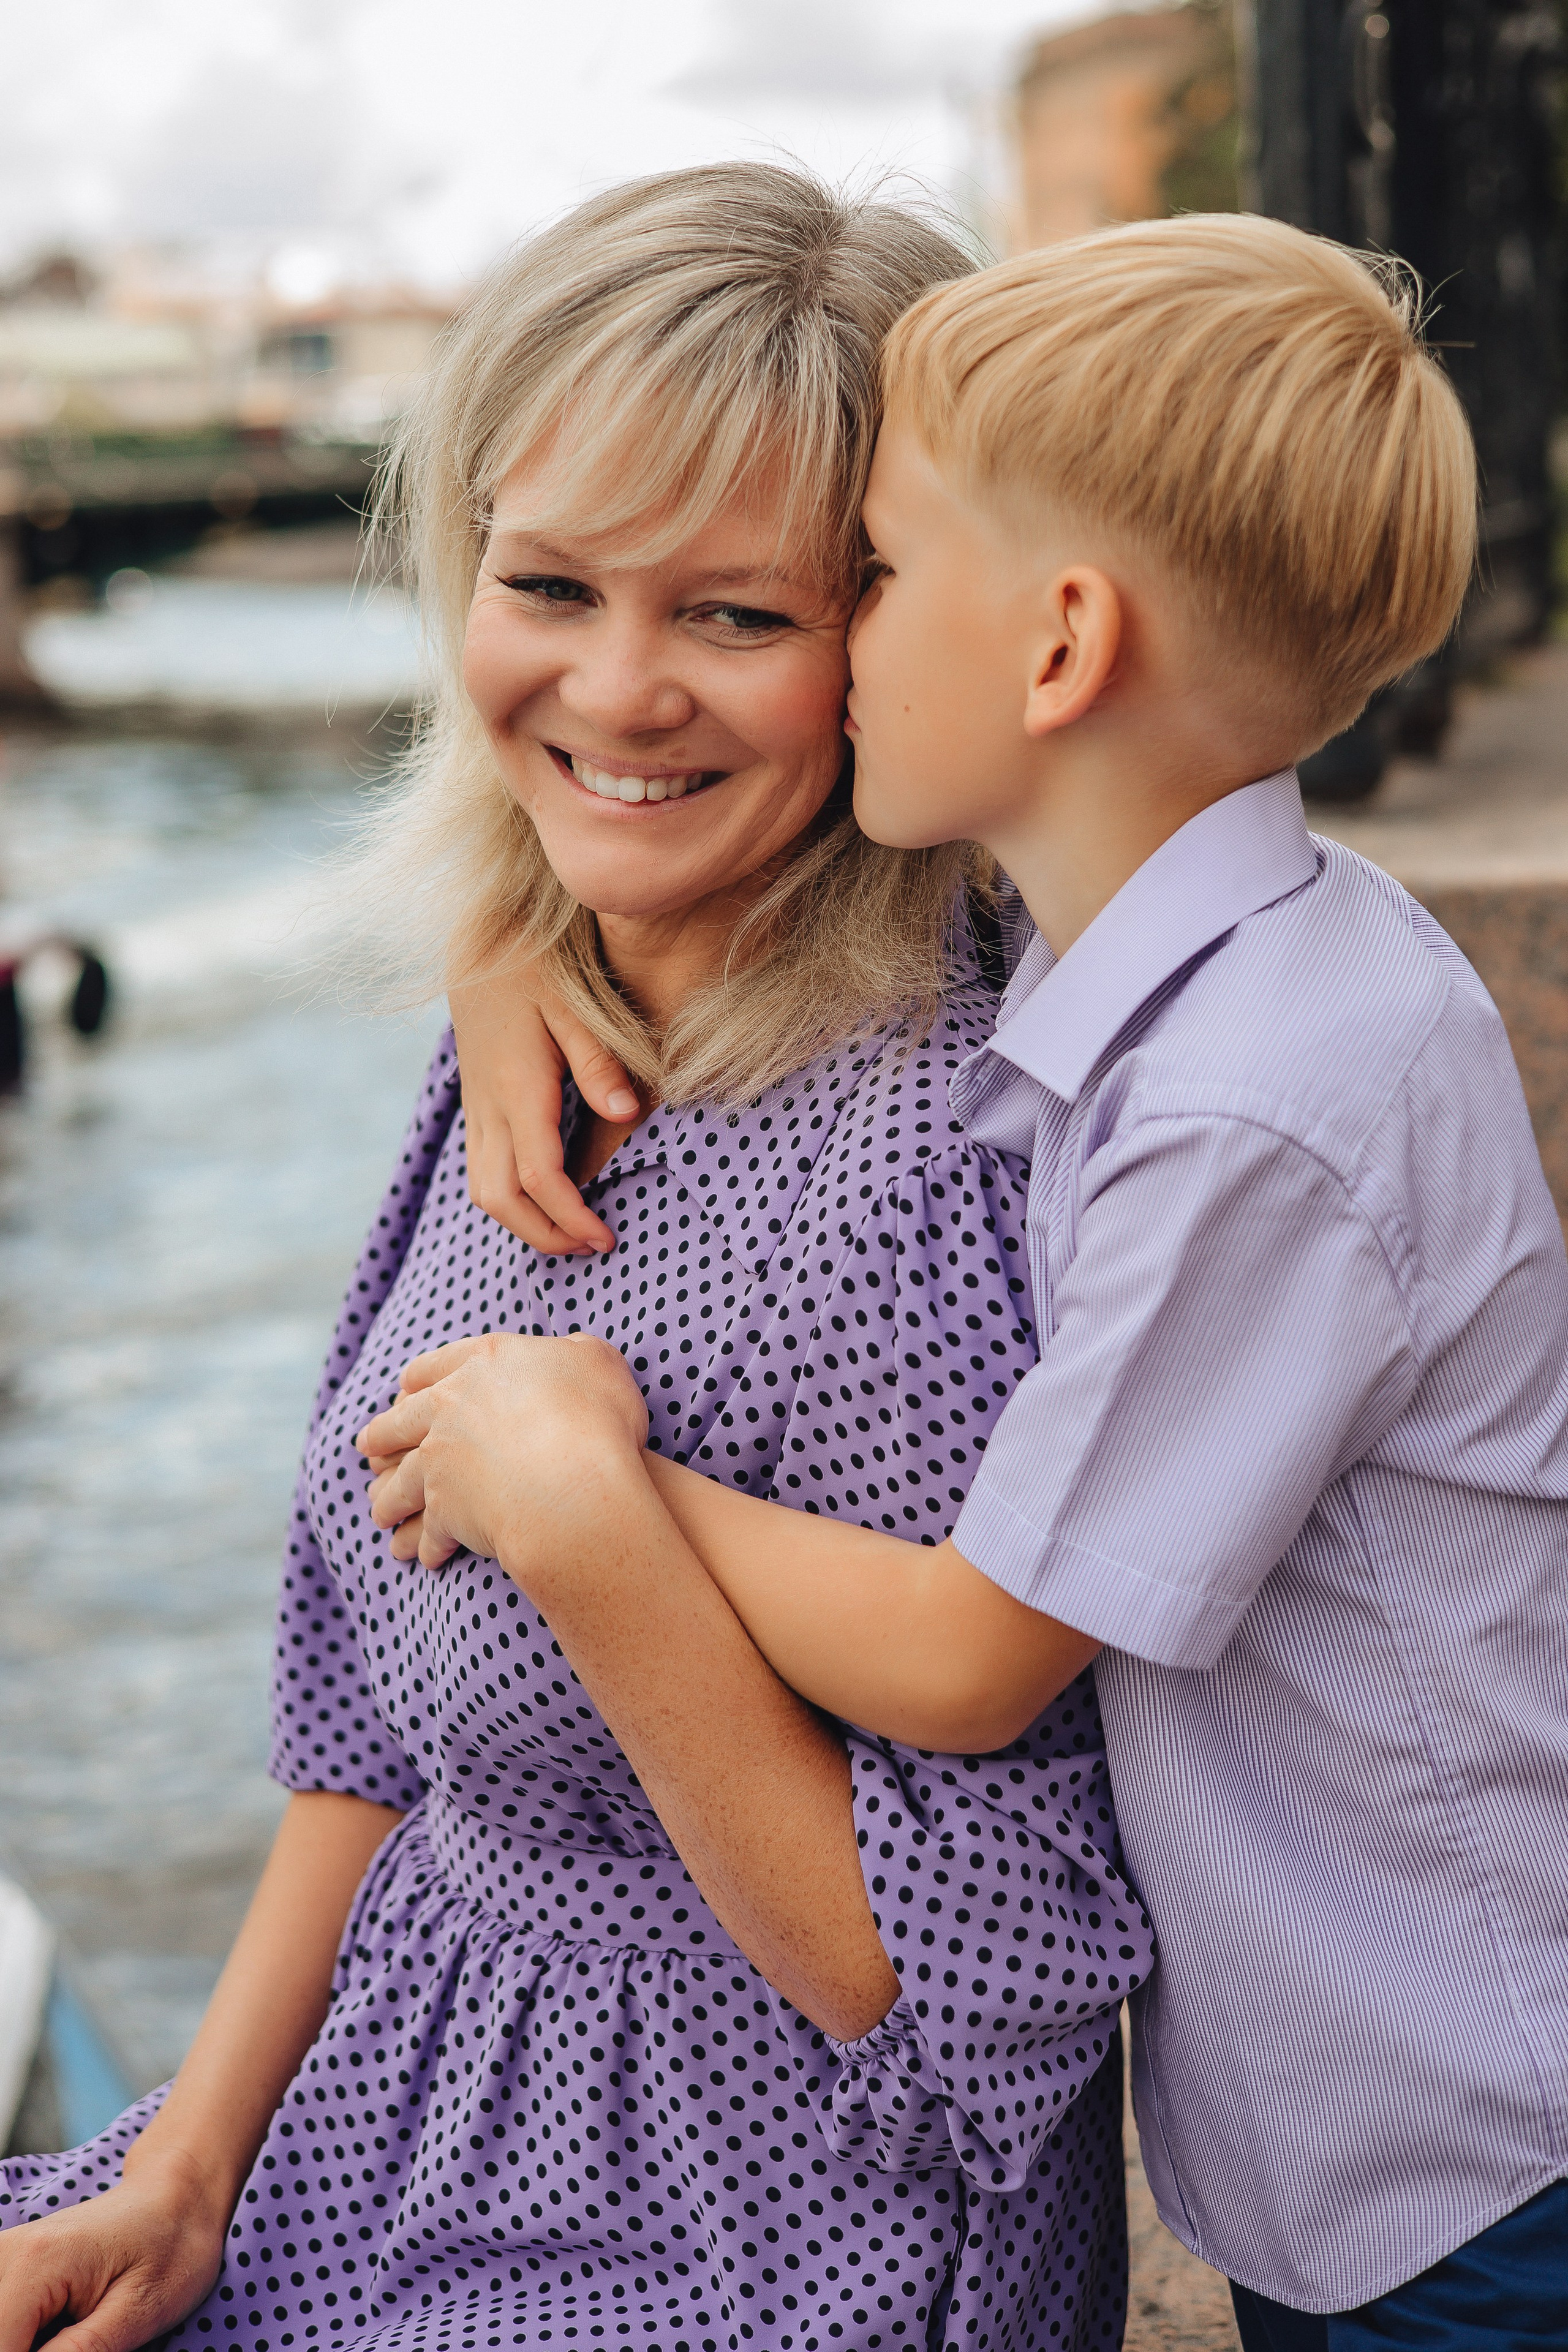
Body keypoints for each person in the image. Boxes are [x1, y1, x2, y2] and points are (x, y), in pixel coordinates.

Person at [369, 216, 1568, 2346]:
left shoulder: (1252, 1113)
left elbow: (968, 1658)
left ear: (1060, 647)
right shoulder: (1213, 963)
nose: (843, 637)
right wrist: (515, 940)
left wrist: (581, 1485)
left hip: (1457, 2140)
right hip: (1354, 2110)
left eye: (880, 571)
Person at [0, 168, 1155, 2352]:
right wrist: (182, 2173)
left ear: (894, 627)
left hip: (751, 2228)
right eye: (547, 582)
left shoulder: (925, 1164)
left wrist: (595, 1531)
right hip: (392, 2110)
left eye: (736, 616)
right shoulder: (545, 1010)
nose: (618, 693)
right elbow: (368, 1714)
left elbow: (956, 2022)